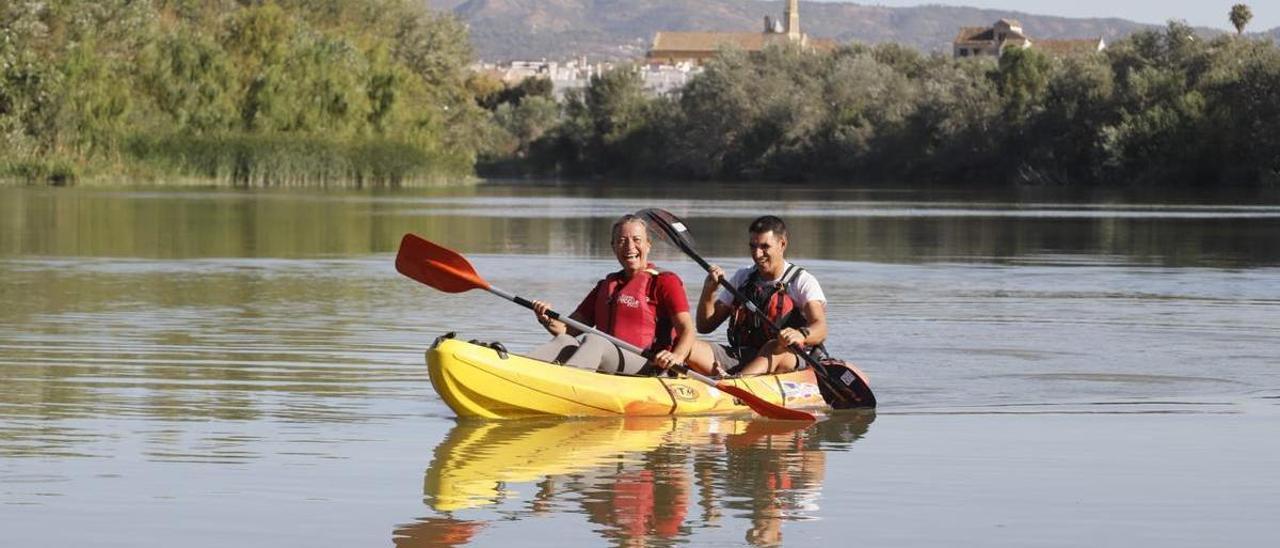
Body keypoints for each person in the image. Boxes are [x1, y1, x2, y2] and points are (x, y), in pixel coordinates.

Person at [526, 214, 711, 375]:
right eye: (622, 241)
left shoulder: (665, 281)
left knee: (594, 340)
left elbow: (687, 330)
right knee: (565, 341)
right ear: (614, 247)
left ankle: (565, 385)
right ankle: (516, 370)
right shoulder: (606, 286)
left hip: (648, 365)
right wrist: (545, 318)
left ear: (648, 245)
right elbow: (568, 330)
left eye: (637, 240)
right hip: (610, 361)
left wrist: (676, 357)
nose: (629, 247)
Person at [694, 215, 827, 376]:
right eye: (753, 246)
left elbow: (820, 329)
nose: (757, 254)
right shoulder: (743, 277)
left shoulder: (802, 281)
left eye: (765, 247)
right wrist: (708, 292)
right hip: (745, 355)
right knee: (690, 346)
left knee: (773, 345)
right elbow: (705, 326)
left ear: (782, 244)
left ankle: (737, 384)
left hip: (785, 356)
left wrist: (800, 334)